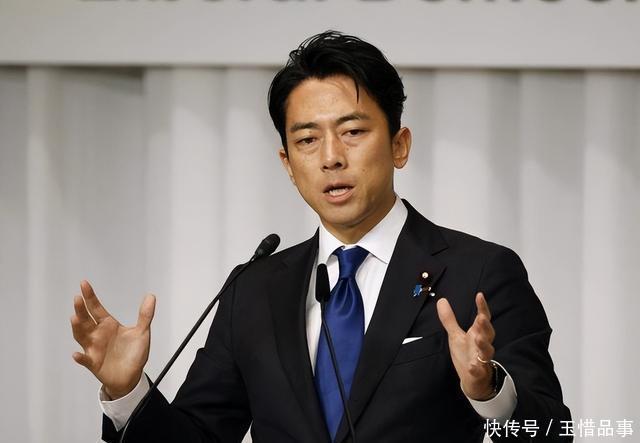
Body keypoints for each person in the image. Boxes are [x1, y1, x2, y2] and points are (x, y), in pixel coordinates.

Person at [71, 31, 572, 442]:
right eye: (308, 140)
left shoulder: (478, 272)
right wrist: (128, 391)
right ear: (288, 164)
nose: (331, 157)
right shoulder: (254, 291)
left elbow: (552, 430)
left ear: (399, 145)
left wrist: (489, 391)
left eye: (353, 132)